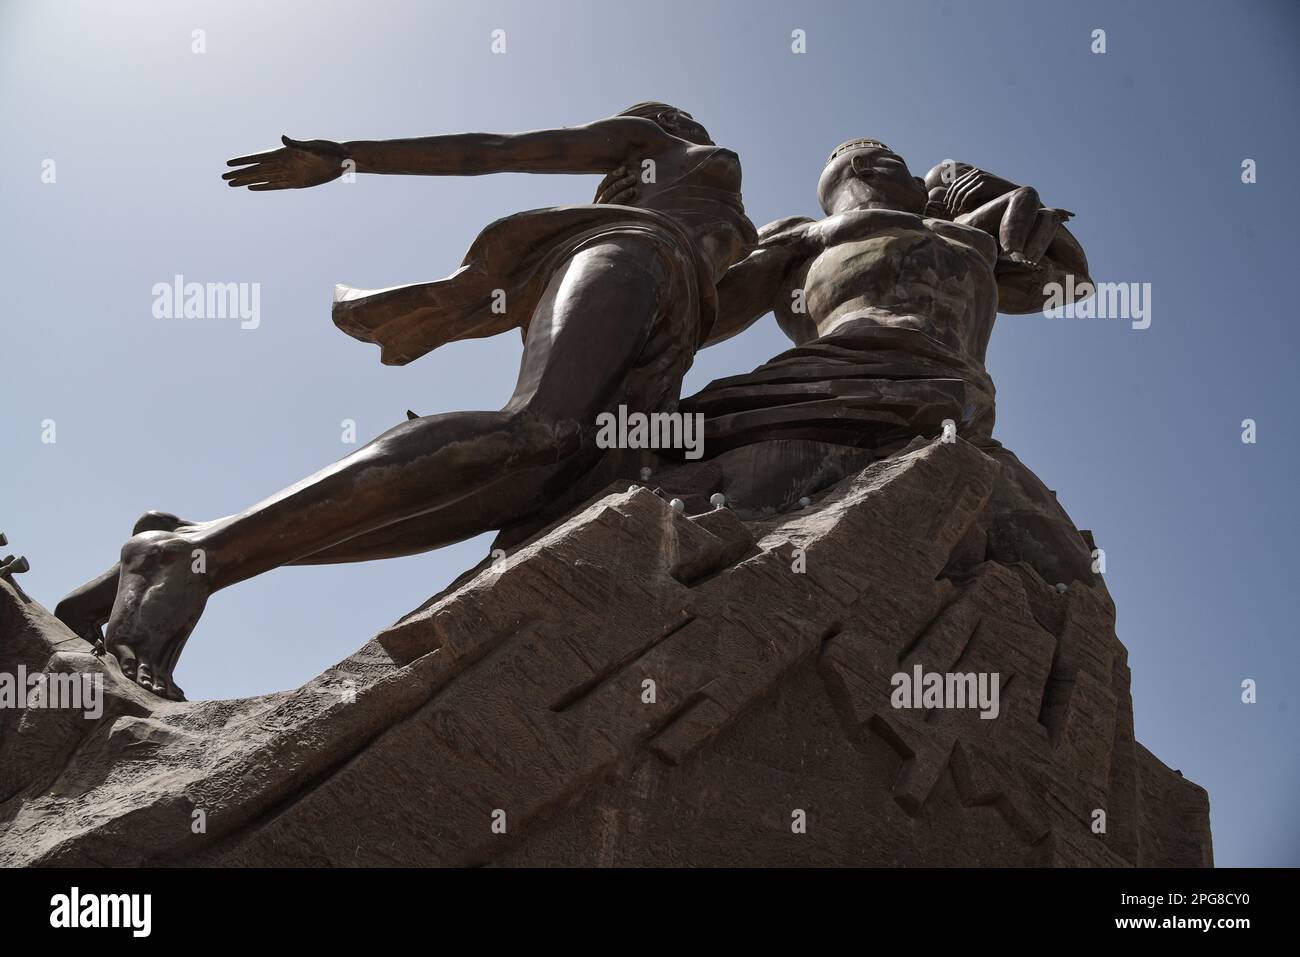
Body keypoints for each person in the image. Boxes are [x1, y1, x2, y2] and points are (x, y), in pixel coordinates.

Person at [55, 104, 757, 700]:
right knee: (539, 428)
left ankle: (184, 546)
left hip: (674, 321)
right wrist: (350, 156)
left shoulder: (723, 232)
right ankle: (194, 554)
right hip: (634, 254)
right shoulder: (664, 145)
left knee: (536, 484)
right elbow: (496, 152)